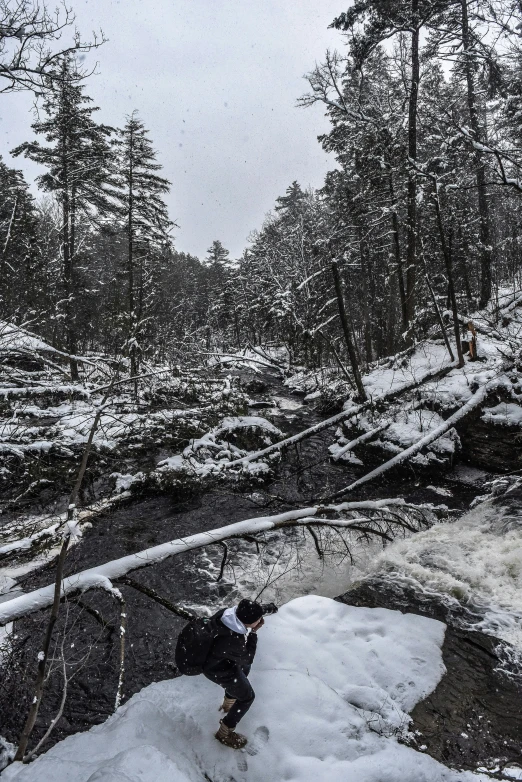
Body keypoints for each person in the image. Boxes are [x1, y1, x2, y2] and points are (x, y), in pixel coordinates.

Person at [203, 598, 277, 749]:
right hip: (218, 669)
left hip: (219, 659)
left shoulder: (227, 615)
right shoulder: (233, 639)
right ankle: (224, 733)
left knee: (244, 670)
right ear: (248, 623)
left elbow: (250, 611)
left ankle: (228, 705)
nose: (259, 621)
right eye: (257, 620)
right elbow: (247, 657)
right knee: (247, 697)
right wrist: (254, 633)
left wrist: (269, 608)